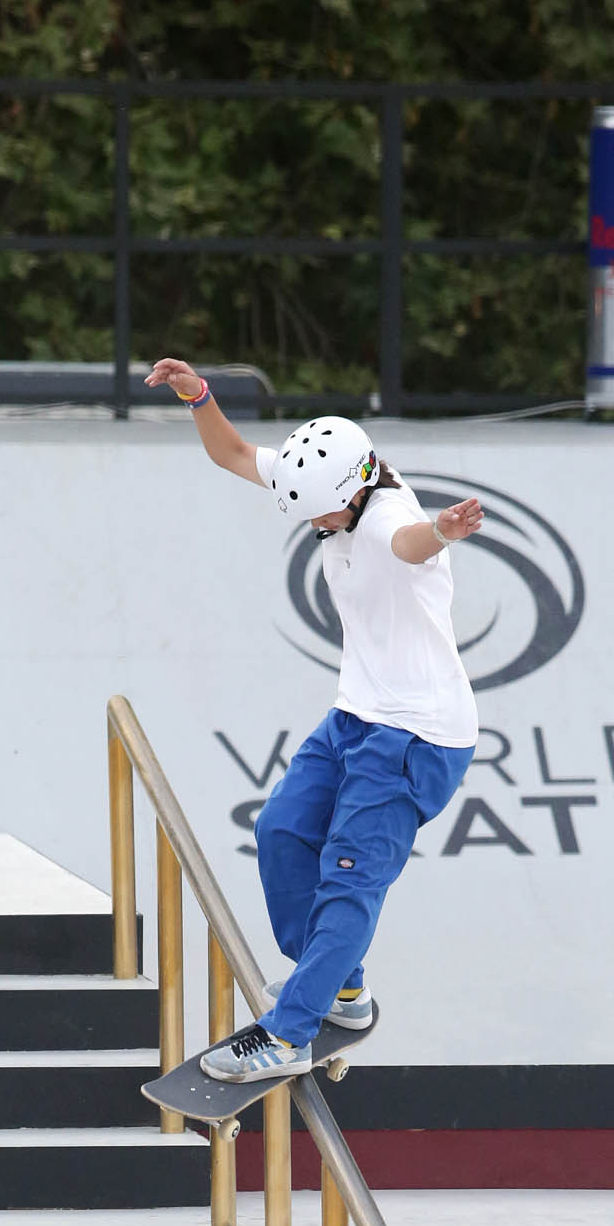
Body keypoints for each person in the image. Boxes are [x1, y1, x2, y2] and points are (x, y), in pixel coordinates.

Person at [144, 358, 483, 1083]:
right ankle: (342, 988)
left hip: (417, 736)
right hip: (356, 715)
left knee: (349, 881)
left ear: (355, 493)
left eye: (321, 516)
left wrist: (444, 532)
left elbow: (409, 543)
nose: (317, 526)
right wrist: (198, 394)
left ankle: (289, 1034)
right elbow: (234, 454)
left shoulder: (388, 514)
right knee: (280, 831)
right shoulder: (329, 477)